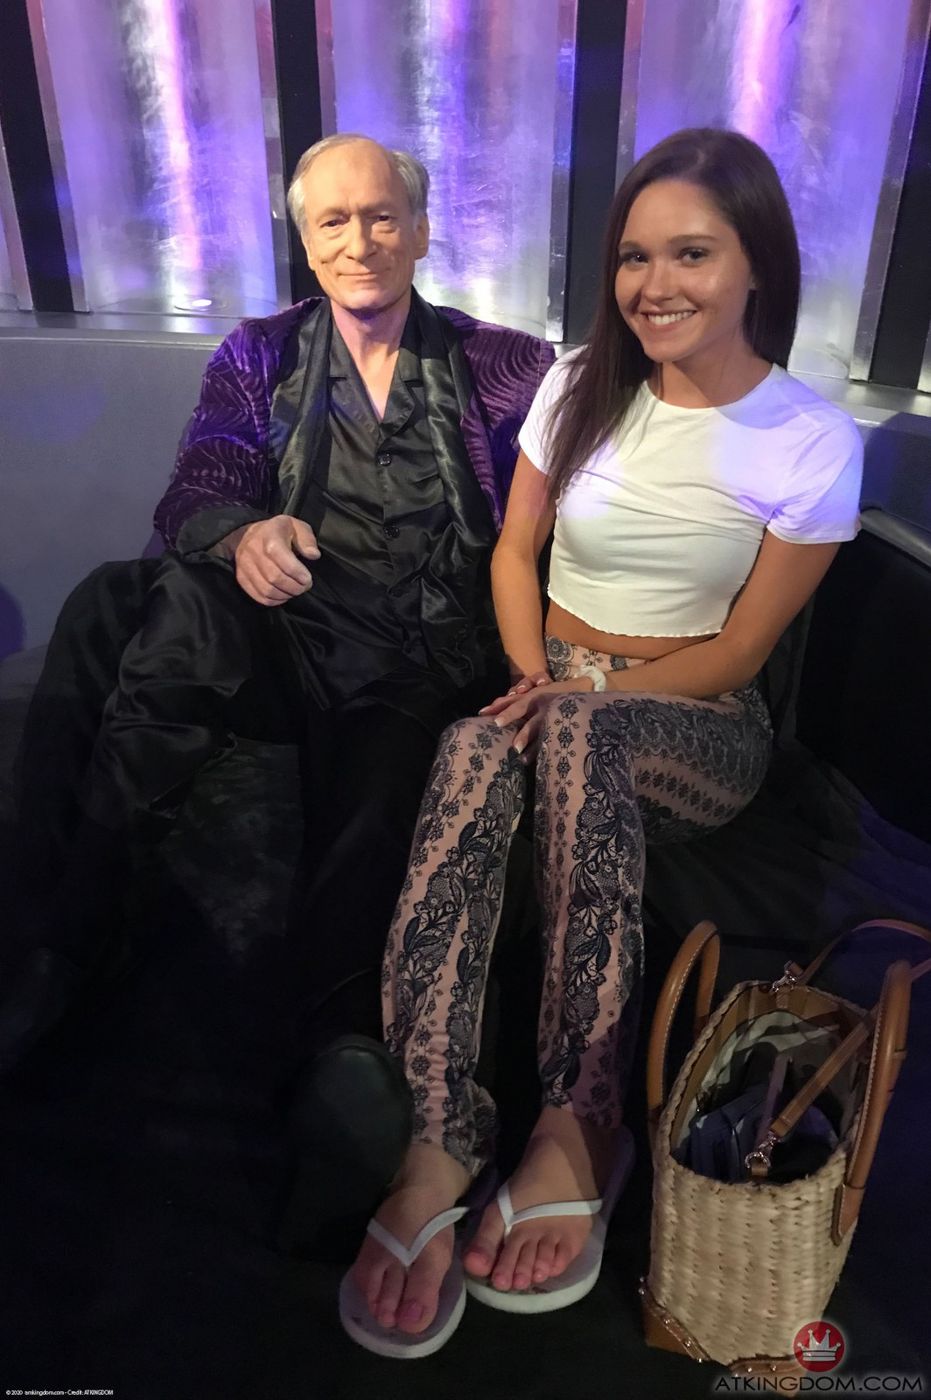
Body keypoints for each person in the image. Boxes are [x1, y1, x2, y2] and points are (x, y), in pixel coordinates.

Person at [340, 127, 864, 1358]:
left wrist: (582, 698)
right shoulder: (581, 380)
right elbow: (514, 552)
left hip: (696, 723)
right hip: (553, 682)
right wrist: (534, 681)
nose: (654, 283)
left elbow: (739, 653)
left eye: (691, 252)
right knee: (473, 747)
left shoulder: (808, 438)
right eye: (634, 255)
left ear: (755, 265)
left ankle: (580, 1120)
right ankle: (438, 1133)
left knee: (572, 735)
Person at [0, 135, 554, 1097]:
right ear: (306, 243)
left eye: (380, 217)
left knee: (367, 796)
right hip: (284, 627)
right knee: (133, 596)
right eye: (333, 222)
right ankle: (55, 938)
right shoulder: (258, 351)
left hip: (419, 649)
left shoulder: (507, 364)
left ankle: (333, 1062)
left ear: (420, 231)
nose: (358, 243)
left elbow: (551, 524)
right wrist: (244, 533)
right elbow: (197, 487)